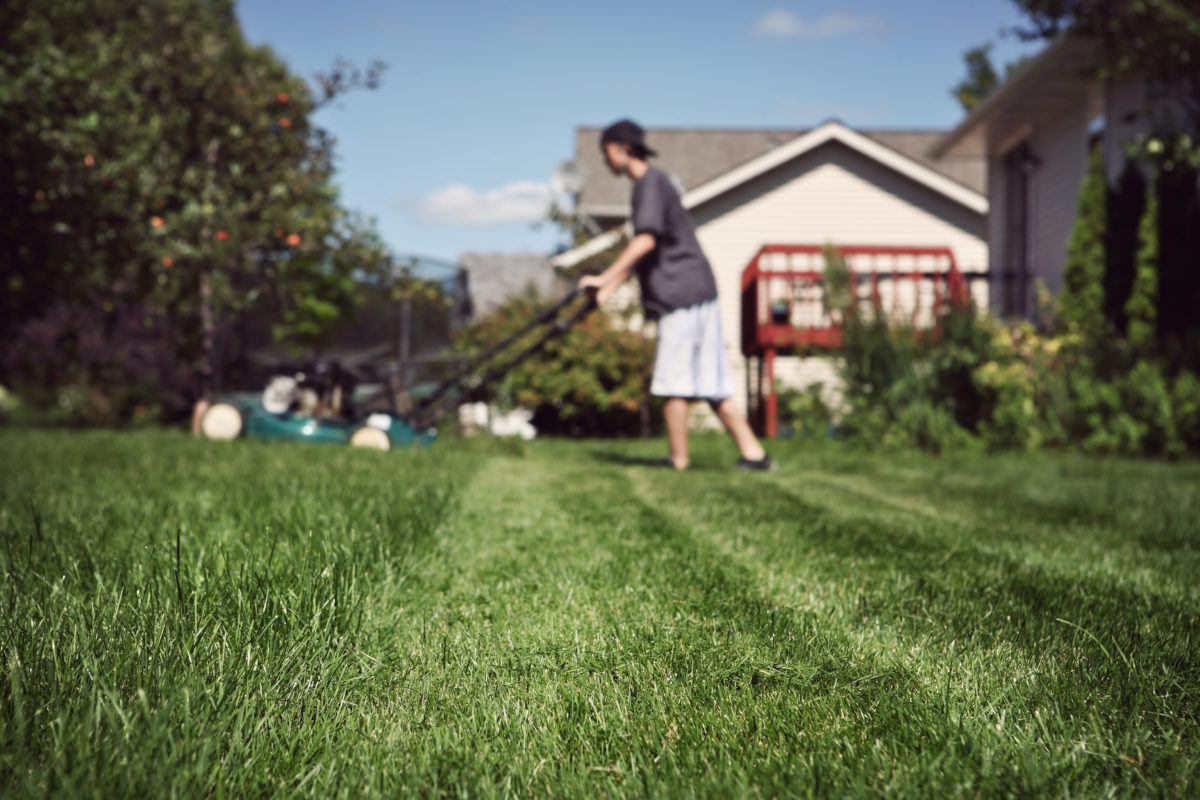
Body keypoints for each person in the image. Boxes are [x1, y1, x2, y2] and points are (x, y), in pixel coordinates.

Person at [578, 119, 774, 471]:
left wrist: (604, 276)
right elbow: (647, 253)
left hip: (682, 293)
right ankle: (755, 454)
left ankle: (678, 461)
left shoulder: (648, 184)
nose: (605, 161)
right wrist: (608, 288)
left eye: (606, 152)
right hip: (693, 290)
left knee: (673, 379)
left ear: (621, 148)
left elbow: (645, 241)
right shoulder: (656, 183)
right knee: (711, 382)